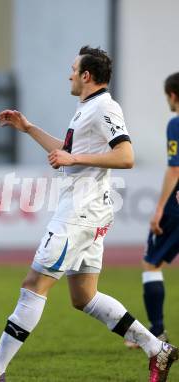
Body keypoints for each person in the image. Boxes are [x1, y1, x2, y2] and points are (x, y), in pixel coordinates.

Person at [0, 46, 178, 382]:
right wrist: (28, 128)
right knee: (84, 296)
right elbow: (68, 152)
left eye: (73, 69)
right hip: (86, 212)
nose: (69, 74)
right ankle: (157, 349)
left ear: (87, 76)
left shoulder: (104, 107)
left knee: (33, 284)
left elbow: (126, 155)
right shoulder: (86, 107)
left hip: (79, 214)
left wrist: (75, 160)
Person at [125, 72, 179, 349]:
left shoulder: (176, 123)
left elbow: (174, 168)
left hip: (176, 208)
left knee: (151, 263)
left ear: (172, 95)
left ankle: (157, 331)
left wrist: (159, 209)